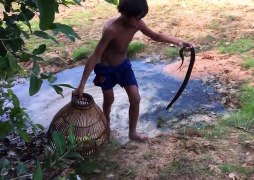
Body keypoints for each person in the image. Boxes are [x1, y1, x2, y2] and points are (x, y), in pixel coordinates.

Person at [72, 0, 193, 142]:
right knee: (109, 99)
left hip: (123, 66)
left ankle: (132, 132)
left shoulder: (137, 23)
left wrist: (179, 41)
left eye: (141, 18)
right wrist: (82, 85)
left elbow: (156, 36)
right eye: (136, 18)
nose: (139, 21)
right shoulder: (111, 29)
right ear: (123, 13)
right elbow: (96, 55)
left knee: (135, 98)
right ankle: (106, 126)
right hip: (105, 69)